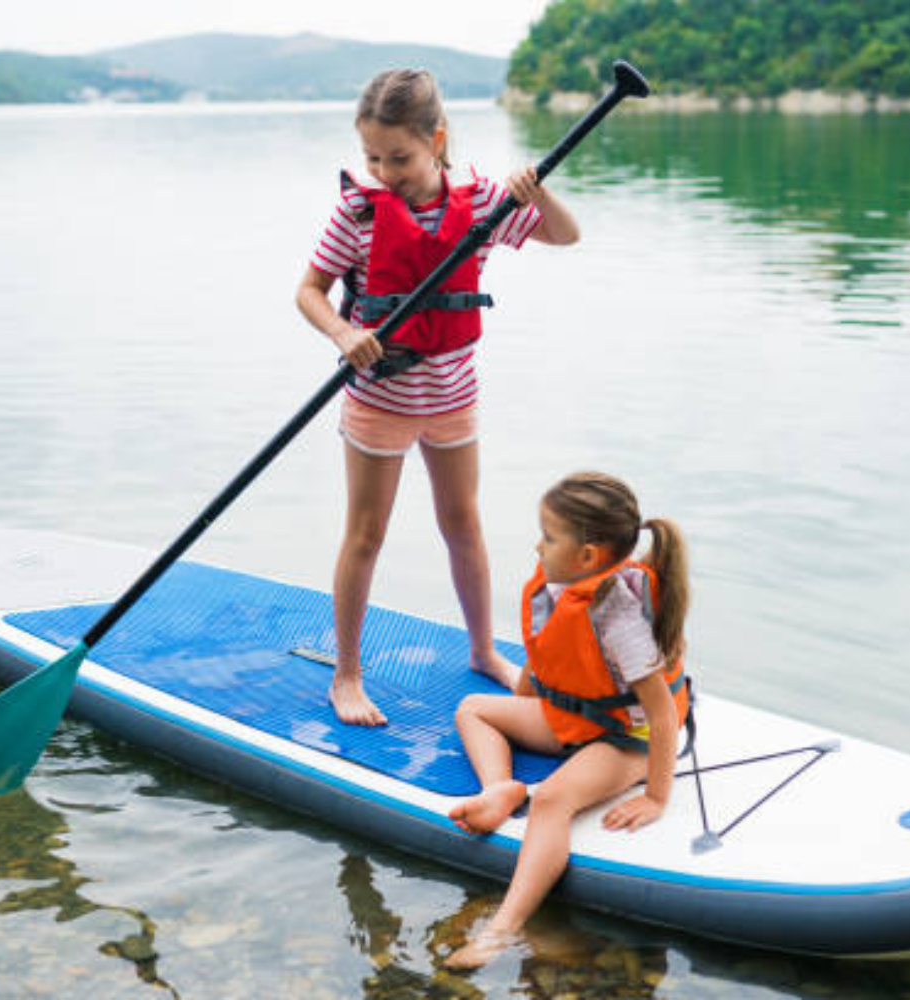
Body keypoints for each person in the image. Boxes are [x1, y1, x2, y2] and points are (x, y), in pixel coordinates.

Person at [297, 68, 580, 726]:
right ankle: (346, 674)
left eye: (399, 157)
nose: (384, 171)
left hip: (454, 397)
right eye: (372, 157)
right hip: (379, 401)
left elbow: (564, 236)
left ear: (437, 140)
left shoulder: (483, 204)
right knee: (365, 535)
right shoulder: (359, 212)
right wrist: (344, 332)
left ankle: (483, 651)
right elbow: (308, 291)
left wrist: (538, 192)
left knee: (464, 525)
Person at [445, 471, 692, 968]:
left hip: (627, 738)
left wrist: (656, 796)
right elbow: (543, 657)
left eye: (549, 536)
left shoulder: (619, 618)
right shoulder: (562, 588)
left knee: (553, 802)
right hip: (575, 718)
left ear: (588, 556)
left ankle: (501, 930)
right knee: (473, 709)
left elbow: (662, 716)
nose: (538, 546)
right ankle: (500, 789)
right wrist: (520, 710)